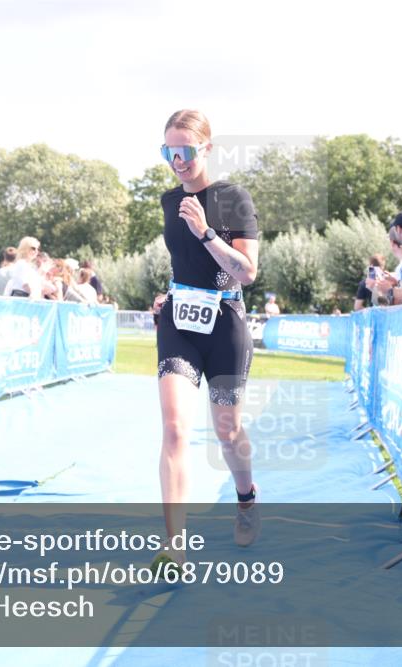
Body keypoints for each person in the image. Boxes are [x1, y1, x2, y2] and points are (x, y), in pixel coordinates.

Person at [154, 109, 260, 568]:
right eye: (168, 151)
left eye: (185, 151)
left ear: (207, 149)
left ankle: (246, 498)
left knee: (226, 429)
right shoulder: (166, 200)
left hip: (225, 323)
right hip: (179, 322)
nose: (177, 160)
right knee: (175, 428)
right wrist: (171, 293)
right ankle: (174, 545)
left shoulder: (233, 199)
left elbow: (247, 272)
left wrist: (205, 232)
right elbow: (186, 267)